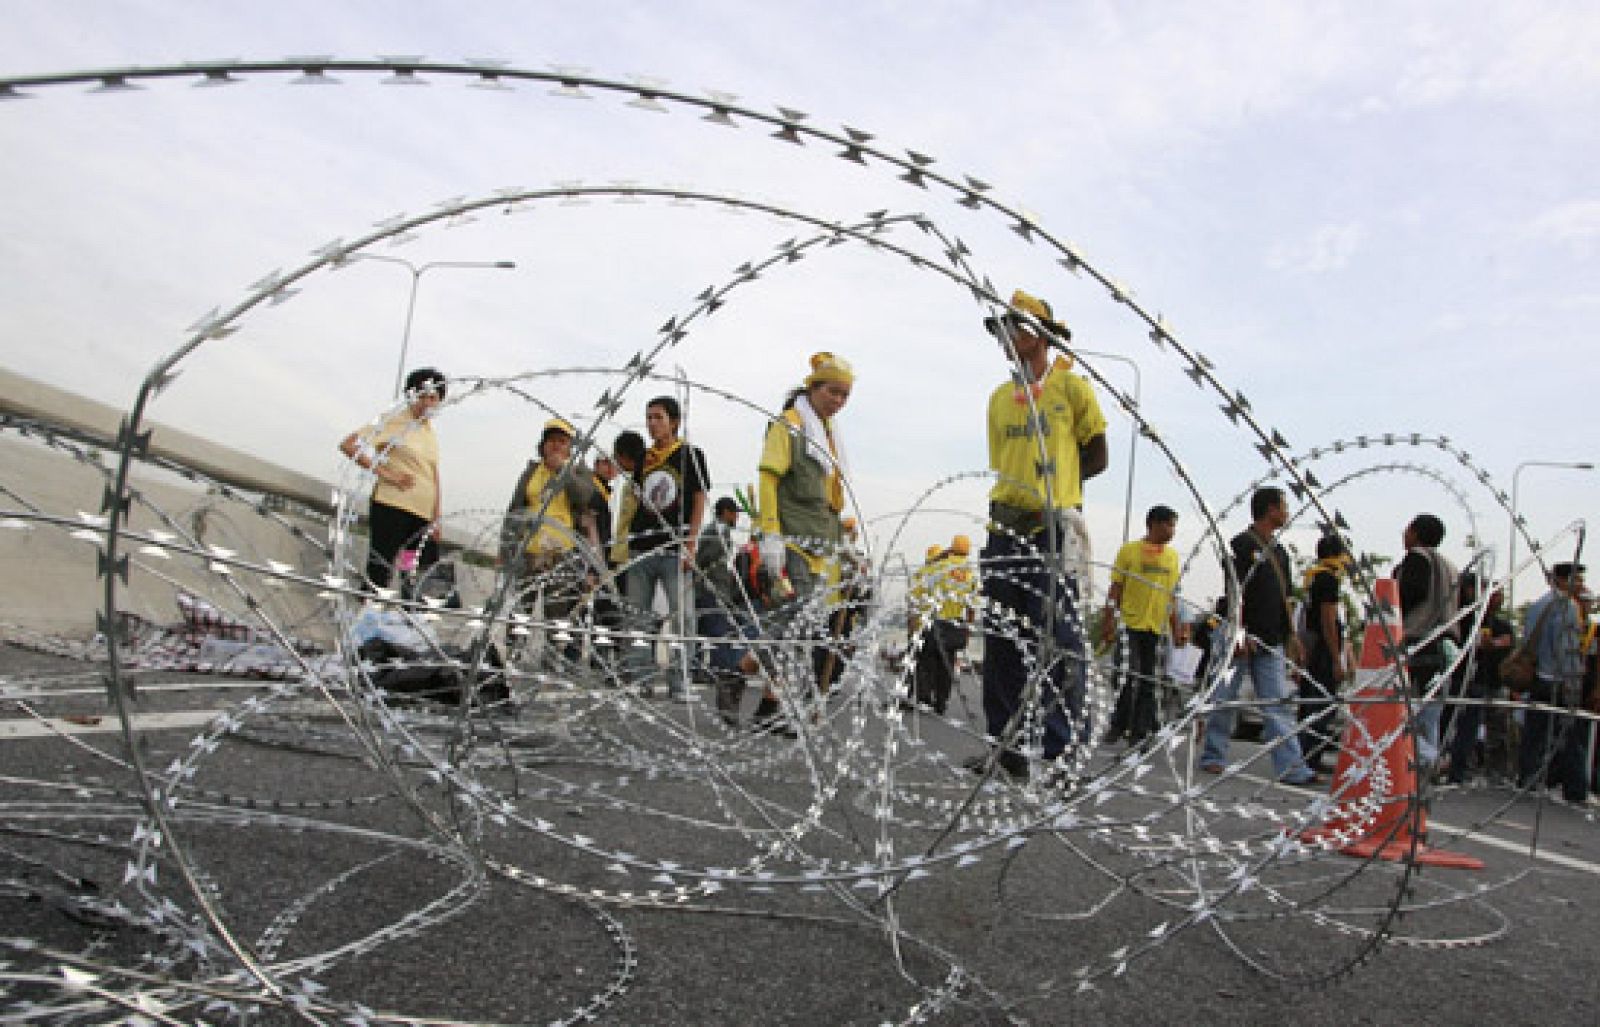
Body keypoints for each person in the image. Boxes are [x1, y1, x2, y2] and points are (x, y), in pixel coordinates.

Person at [969, 289, 1108, 782]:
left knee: (1059, 640)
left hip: (1052, 531)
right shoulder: (998, 399)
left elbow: (1097, 454)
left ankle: (1060, 750)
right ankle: (1003, 744)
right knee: (1003, 638)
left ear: (1040, 335)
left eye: (1015, 328)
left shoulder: (1073, 389)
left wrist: (1064, 496)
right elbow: (1005, 465)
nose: (1006, 337)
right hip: (1004, 527)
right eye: (1001, 329)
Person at [750, 352, 855, 734]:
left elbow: (828, 497)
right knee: (797, 627)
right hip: (792, 539)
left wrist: (841, 540)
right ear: (813, 387)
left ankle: (758, 690)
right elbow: (768, 478)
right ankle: (776, 704)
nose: (838, 401)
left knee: (790, 627)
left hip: (818, 544)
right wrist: (771, 533)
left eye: (845, 395)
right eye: (833, 392)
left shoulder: (828, 433)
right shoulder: (791, 425)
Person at [1198, 487, 1319, 786]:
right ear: (1269, 509)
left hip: (1271, 638)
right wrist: (1241, 632)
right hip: (1238, 637)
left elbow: (1284, 599)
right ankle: (1213, 755)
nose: (1287, 511)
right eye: (1283, 506)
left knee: (1276, 704)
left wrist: (1291, 637)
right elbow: (1234, 591)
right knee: (1224, 697)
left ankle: (1292, 768)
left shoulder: (1279, 552)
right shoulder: (1241, 545)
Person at [623, 399, 710, 700]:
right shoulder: (643, 459)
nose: (651, 423)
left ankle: (680, 680)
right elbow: (638, 498)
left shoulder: (690, 455)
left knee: (683, 617)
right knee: (637, 617)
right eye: (648, 417)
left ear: (674, 422)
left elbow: (699, 498)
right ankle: (639, 677)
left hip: (675, 548)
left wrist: (691, 542)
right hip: (642, 548)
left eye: (658, 417)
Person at [338, 368, 447, 594]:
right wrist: (388, 474)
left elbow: (433, 475)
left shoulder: (430, 433)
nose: (427, 402)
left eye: (433, 398)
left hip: (421, 518)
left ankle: (407, 620)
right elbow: (349, 445)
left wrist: (436, 517)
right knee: (382, 567)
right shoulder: (394, 421)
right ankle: (369, 618)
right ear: (411, 395)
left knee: (414, 572)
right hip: (393, 507)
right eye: (423, 395)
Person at [500, 417, 597, 668]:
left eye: (562, 442)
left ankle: (553, 656)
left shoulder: (579, 471)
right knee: (521, 606)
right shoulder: (531, 472)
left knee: (558, 609)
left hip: (561, 550)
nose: (556, 446)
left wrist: (564, 471)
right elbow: (515, 509)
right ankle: (512, 653)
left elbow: (585, 495)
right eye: (552, 441)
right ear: (542, 444)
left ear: (570, 447)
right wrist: (505, 546)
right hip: (529, 548)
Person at [1102, 505, 1186, 751]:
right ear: (1154, 524)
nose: (1171, 531)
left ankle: (1139, 731)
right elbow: (1115, 589)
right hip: (1131, 623)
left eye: (1173, 526)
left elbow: (1172, 596)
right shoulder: (1129, 552)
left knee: (1149, 681)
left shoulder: (1172, 557)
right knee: (1127, 676)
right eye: (1168, 525)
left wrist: (1176, 628)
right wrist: (1109, 620)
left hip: (1155, 628)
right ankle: (1119, 723)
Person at [1516, 562, 1589, 804]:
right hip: (1560, 680)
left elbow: (1529, 641)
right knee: (1571, 736)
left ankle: (1527, 780)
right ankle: (1575, 790)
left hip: (1539, 677)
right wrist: (1573, 680)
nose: (1580, 584)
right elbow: (1566, 649)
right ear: (1560, 579)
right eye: (1576, 579)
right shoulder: (1567, 607)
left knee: (1534, 734)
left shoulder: (1538, 606)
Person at [1393, 512, 1459, 773]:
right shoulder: (1450, 567)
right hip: (1447, 645)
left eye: (1408, 529)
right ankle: (1422, 771)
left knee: (1403, 711)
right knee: (1430, 716)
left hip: (1419, 642)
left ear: (1416, 533)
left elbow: (1410, 594)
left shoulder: (1418, 558)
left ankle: (1431, 758)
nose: (1404, 533)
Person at [1445, 576, 1515, 786]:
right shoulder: (1467, 617)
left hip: (1494, 682)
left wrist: (1492, 644)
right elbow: (1474, 644)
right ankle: (1458, 770)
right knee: (1466, 727)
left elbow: (1506, 643)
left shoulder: (1501, 624)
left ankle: (1495, 772)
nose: (1497, 598)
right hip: (1468, 680)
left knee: (1498, 731)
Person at [1295, 533, 1350, 773]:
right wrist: (1337, 658)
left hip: (1311, 645)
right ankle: (1311, 758)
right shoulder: (1328, 580)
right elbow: (1328, 620)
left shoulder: (1312, 578)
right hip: (1323, 650)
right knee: (1323, 704)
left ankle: (1303, 756)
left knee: (1309, 703)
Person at [696, 496, 748, 725]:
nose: (736, 517)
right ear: (725, 512)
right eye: (734, 512)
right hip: (713, 591)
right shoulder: (720, 531)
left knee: (706, 632)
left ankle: (703, 669)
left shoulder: (712, 530)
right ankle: (722, 675)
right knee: (719, 635)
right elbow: (707, 560)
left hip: (708, 590)